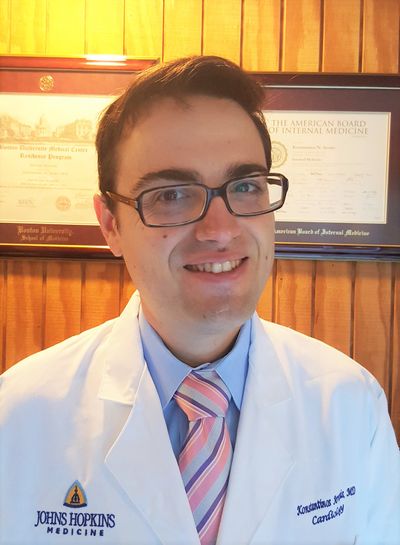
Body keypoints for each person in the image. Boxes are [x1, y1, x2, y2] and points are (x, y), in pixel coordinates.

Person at [0, 56, 399, 545]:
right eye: (171, 195)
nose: (220, 230)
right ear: (110, 225)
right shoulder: (18, 417)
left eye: (246, 187)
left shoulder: (350, 404)